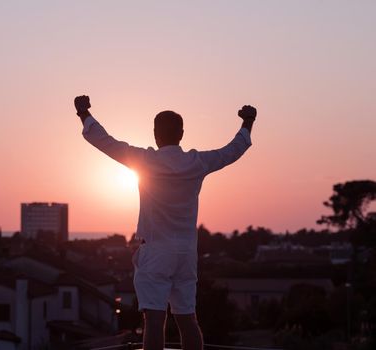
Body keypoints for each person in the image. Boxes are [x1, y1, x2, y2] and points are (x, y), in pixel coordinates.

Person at [74, 95, 256, 350]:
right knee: (187, 319)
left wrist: (84, 112)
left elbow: (104, 141)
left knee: (154, 320)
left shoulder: (146, 161)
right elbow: (233, 150)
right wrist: (247, 122)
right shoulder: (197, 162)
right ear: (181, 133)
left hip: (156, 251)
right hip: (186, 254)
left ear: (155, 134)